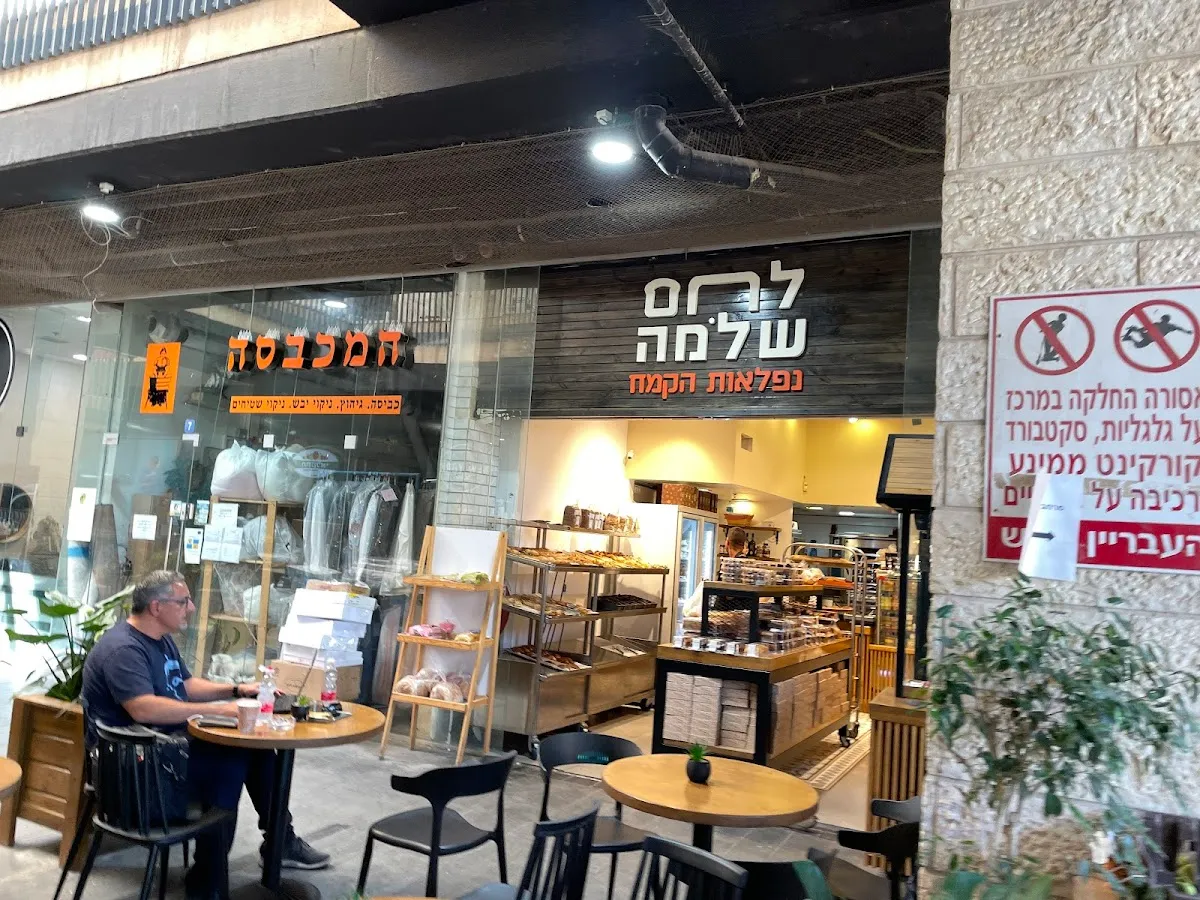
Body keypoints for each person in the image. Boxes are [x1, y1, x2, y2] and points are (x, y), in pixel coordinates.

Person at [81, 570, 329, 900]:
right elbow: (143, 709)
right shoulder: (123, 649)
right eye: (183, 601)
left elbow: (184, 685)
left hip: (163, 753)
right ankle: (207, 878)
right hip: (135, 775)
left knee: (255, 750)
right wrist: (222, 712)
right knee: (232, 762)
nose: (192, 607)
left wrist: (237, 690)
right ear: (156, 607)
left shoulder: (159, 639)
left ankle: (279, 841)